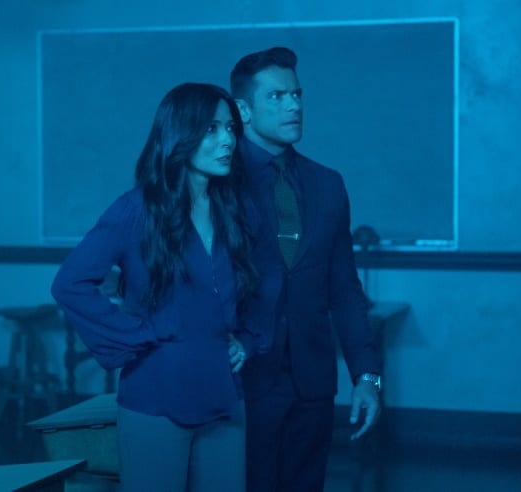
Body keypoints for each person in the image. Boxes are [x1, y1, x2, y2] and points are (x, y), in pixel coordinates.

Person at [51, 82, 279, 492]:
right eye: (211, 129)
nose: (228, 140)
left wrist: (247, 339)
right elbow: (70, 284)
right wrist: (138, 334)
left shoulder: (236, 209)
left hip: (224, 395)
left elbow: (266, 281)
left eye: (230, 128)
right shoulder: (136, 210)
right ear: (180, 134)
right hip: (156, 395)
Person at [230, 46, 382, 492]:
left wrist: (367, 376)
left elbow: (345, 289)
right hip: (243, 381)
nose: (293, 106)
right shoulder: (220, 182)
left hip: (312, 384)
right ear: (243, 110)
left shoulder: (327, 184)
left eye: (296, 94)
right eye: (276, 97)